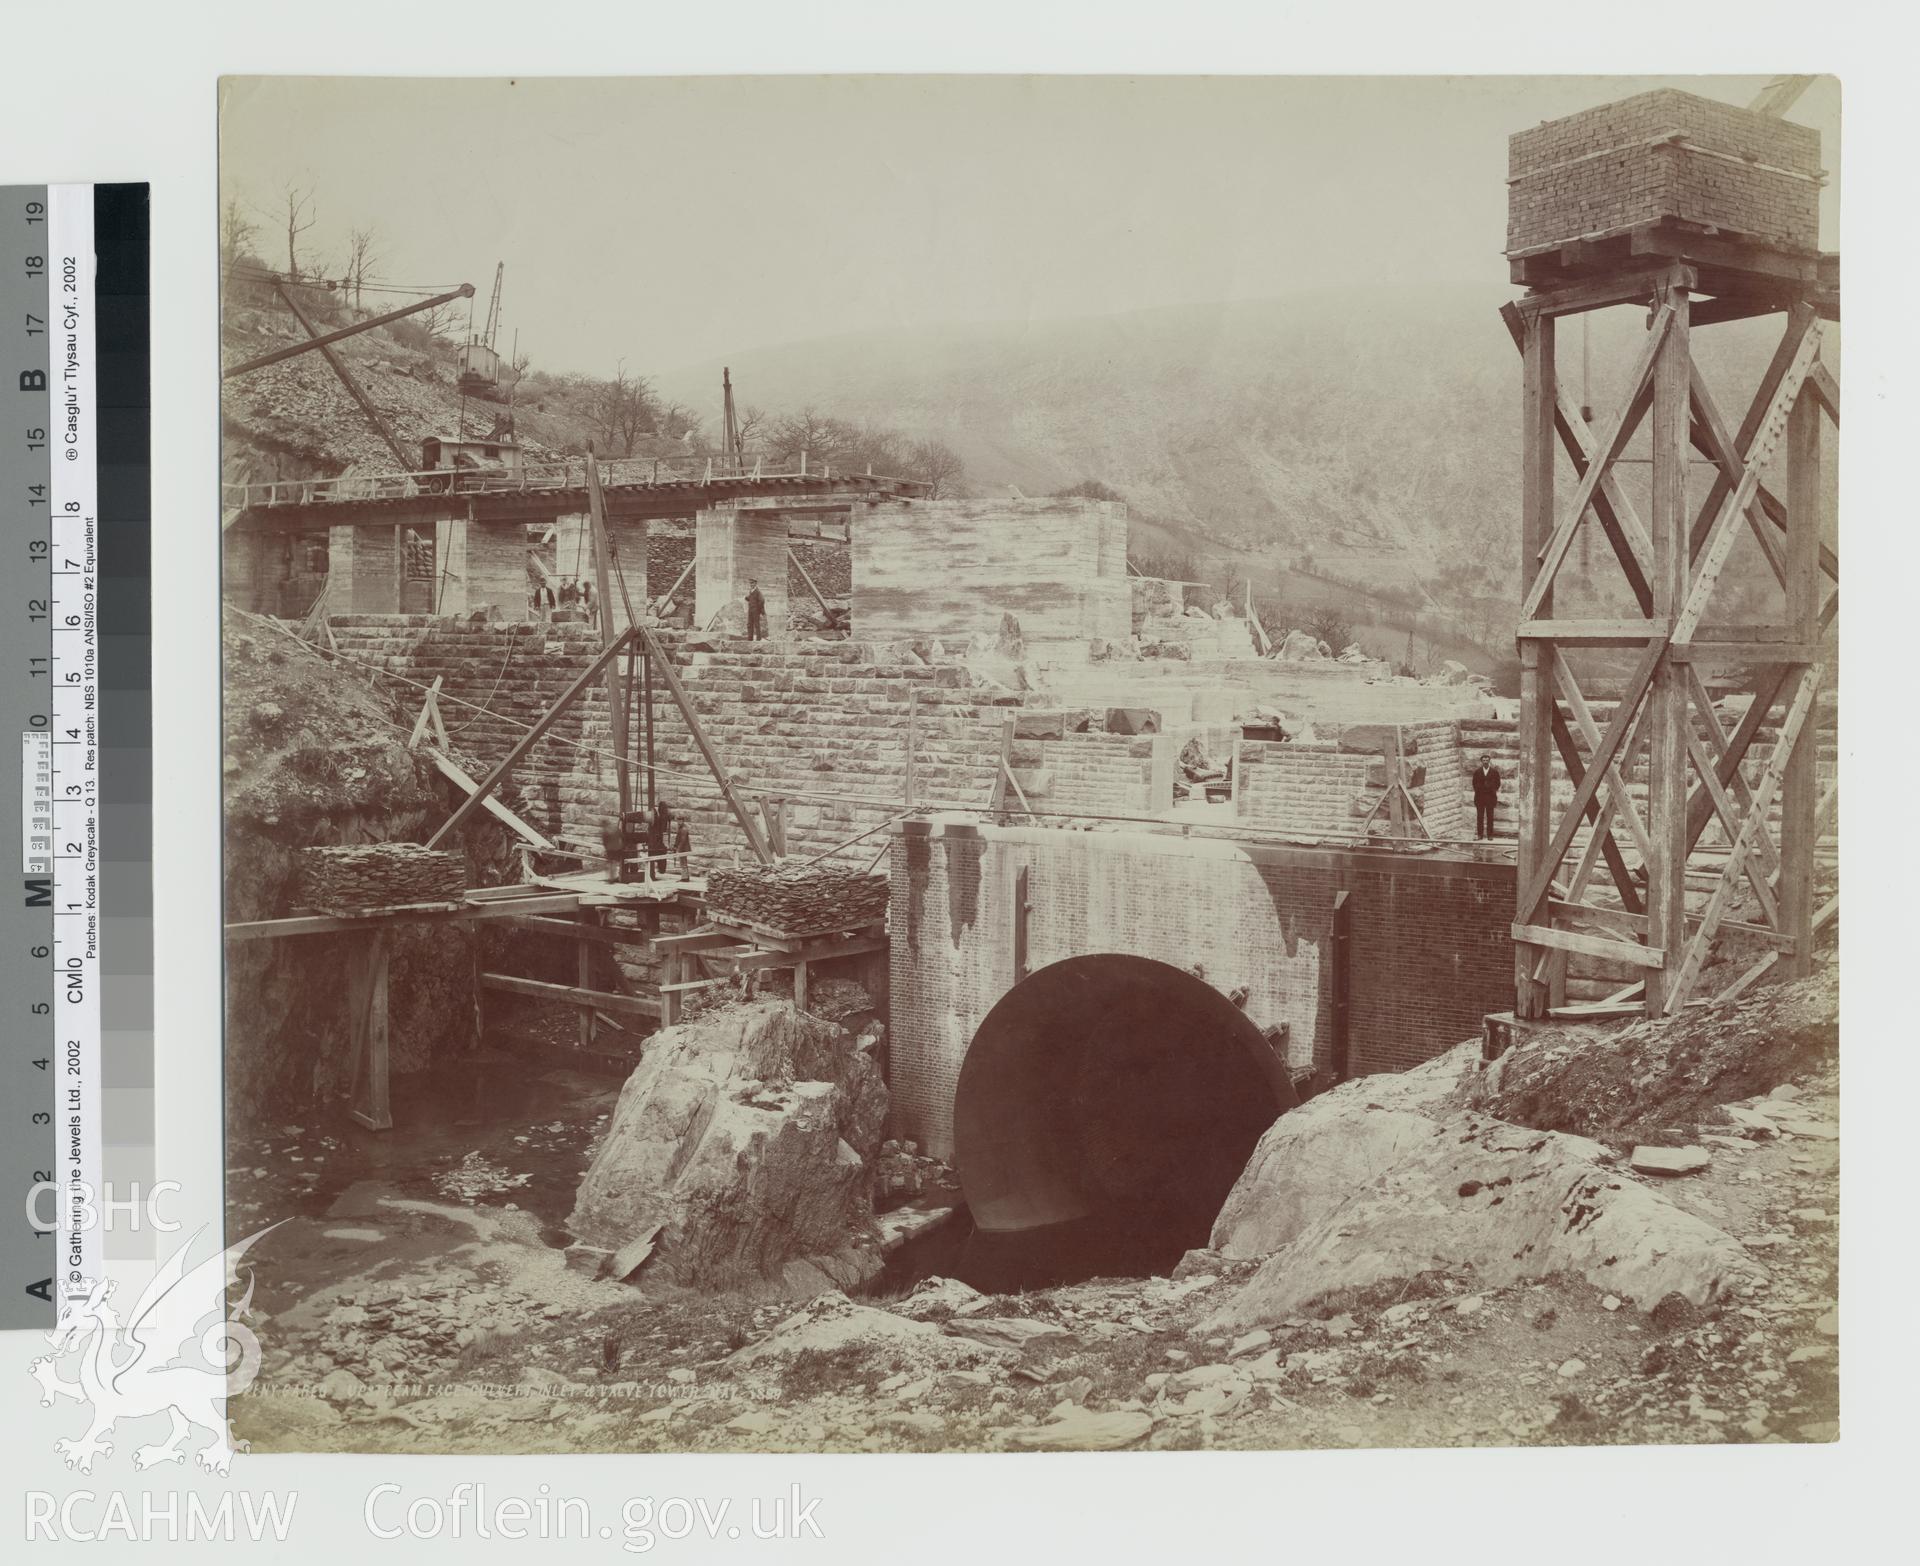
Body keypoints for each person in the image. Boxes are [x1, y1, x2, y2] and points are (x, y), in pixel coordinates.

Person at [1471, 756, 1502, 840]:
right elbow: (1474, 783)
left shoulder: (1494, 772)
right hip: (1480, 797)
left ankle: (1490, 835)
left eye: (1487, 760)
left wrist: (1491, 789)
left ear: (1489, 761)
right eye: (1483, 760)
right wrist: (1480, 789)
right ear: (1481, 761)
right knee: (1480, 817)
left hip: (1490, 797)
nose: (1485, 762)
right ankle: (1480, 835)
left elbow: (1498, 783)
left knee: (1490, 817)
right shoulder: (1477, 772)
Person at [647, 796, 674, 881]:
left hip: (656, 838)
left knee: (654, 854)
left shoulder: (660, 817)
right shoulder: (666, 816)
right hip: (663, 838)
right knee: (662, 854)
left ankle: (655, 871)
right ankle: (661, 869)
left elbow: (654, 826)